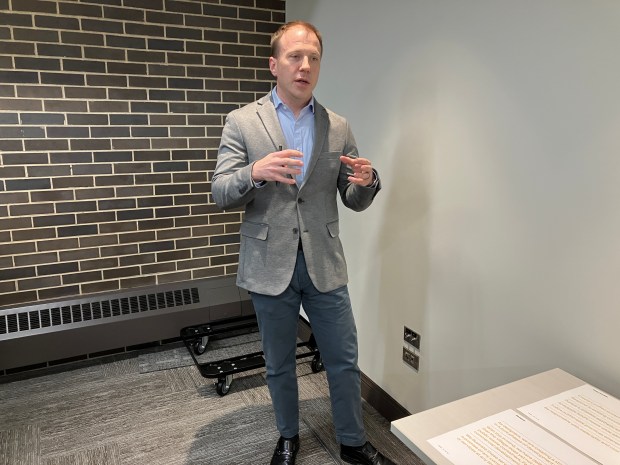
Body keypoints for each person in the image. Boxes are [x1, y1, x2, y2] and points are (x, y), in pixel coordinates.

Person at [212, 21, 394, 465]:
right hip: (267, 262)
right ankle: (288, 437)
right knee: (278, 363)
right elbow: (219, 191)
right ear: (274, 64)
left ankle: (352, 443)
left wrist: (368, 182)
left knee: (344, 360)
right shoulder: (241, 122)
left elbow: (352, 199)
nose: (305, 65)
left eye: (313, 57)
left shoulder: (337, 125)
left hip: (324, 263)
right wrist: (255, 172)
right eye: (295, 56)